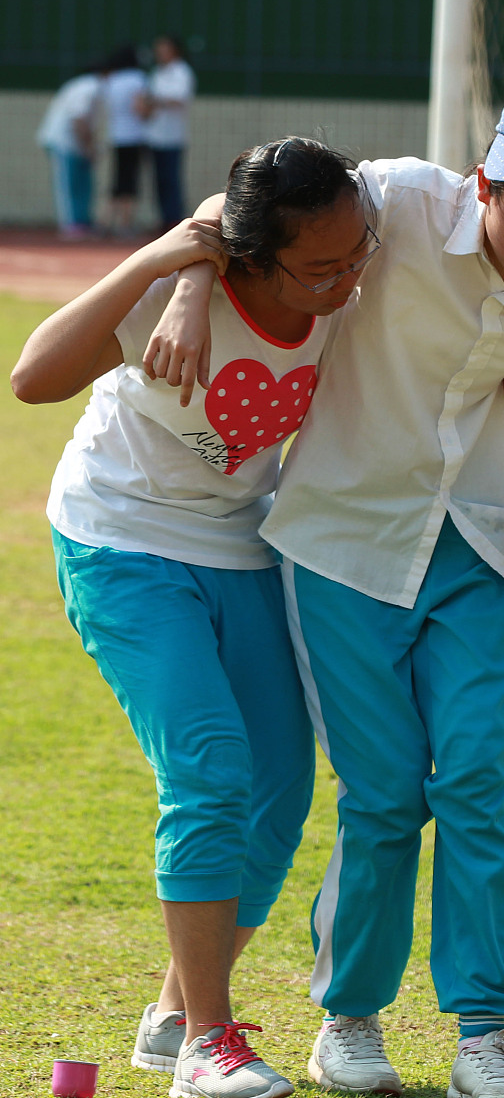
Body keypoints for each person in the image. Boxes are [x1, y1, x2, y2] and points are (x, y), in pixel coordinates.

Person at [151, 69, 504, 1098]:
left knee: (475, 782)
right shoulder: (399, 198)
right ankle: (350, 1020)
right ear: (483, 179)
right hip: (340, 546)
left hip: (476, 549)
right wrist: (191, 288)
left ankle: (484, 1035)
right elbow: (240, 203)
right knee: (381, 795)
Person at [10, 137, 382, 1098]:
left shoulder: (343, 282)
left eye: (356, 257)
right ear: (250, 256)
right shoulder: (176, 286)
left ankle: (177, 1016)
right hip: (120, 540)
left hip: (239, 542)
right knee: (211, 767)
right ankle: (211, 1046)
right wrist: (166, 268)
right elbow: (33, 378)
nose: (345, 280)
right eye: (319, 268)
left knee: (279, 792)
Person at [36, 62, 106, 239]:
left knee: (84, 184)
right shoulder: (89, 86)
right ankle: (71, 224)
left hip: (76, 144)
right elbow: (79, 120)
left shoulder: (90, 87)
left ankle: (83, 221)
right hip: (64, 143)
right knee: (69, 184)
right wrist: (89, 147)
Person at [141, 34, 196, 232]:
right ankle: (164, 218)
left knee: (171, 179)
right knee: (159, 181)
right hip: (155, 135)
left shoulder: (181, 72)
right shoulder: (157, 72)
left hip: (173, 136)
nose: (159, 53)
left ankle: (174, 219)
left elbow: (179, 99)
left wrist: (155, 101)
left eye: (164, 49)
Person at [101, 44, 149, 237]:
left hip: (116, 135)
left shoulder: (112, 80)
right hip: (134, 135)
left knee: (117, 180)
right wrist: (149, 112)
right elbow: (140, 108)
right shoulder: (138, 79)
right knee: (130, 181)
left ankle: (105, 221)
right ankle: (125, 223)